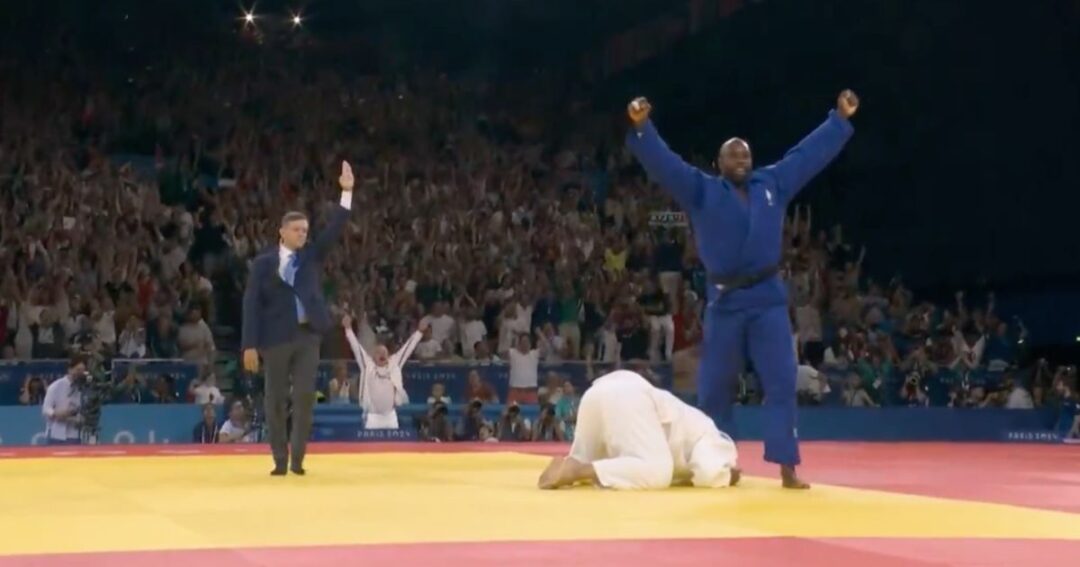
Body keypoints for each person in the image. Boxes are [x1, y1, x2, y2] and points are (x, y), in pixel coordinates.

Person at [625, 91, 859, 488]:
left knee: (782, 380)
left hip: (767, 297)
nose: (741, 160)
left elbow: (806, 156)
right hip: (726, 300)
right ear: (719, 164)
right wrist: (642, 127)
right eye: (733, 156)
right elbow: (665, 165)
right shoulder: (702, 190)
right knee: (716, 386)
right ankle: (722, 462)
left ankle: (787, 465)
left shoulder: (772, 184)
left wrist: (839, 118)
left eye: (746, 155)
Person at [241, 161, 355, 476]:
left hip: (308, 336)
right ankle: (279, 459)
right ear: (282, 232)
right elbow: (251, 304)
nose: (303, 234)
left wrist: (346, 193)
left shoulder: (312, 257)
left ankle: (298, 460)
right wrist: (249, 344)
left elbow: (334, 229)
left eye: (305, 230)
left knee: (305, 398)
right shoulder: (263, 264)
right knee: (275, 400)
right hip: (275, 338)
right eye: (297, 230)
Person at [538, 369, 740, 490]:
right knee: (659, 471)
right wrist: (729, 476)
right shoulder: (709, 433)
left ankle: (574, 464)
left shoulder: (690, 418)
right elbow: (708, 472)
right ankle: (580, 470)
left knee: (586, 455)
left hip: (596, 393)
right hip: (628, 395)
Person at [342, 313, 426, 429]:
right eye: (378, 353)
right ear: (372, 357)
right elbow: (356, 347)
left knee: (394, 447)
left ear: (388, 356)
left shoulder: (394, 364)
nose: (382, 354)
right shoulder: (368, 365)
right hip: (372, 417)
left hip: (390, 417)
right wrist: (348, 329)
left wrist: (419, 333)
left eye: (384, 353)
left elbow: (407, 349)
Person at [41, 355, 88, 445]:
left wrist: (79, 418)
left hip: (75, 434)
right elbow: (46, 409)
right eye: (78, 370)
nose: (80, 373)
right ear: (70, 369)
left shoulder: (84, 388)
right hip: (56, 433)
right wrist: (57, 414)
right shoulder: (56, 386)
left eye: (83, 371)